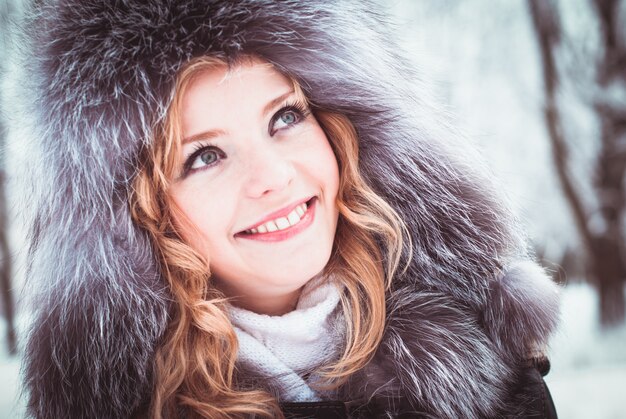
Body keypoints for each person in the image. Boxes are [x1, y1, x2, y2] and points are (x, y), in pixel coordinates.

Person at [15, 1, 560, 418]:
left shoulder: (489, 371)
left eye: (285, 118)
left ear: (340, 130)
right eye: (205, 155)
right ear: (143, 212)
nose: (273, 176)